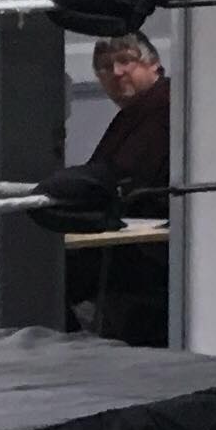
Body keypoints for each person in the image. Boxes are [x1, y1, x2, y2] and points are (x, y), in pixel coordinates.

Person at [65, 32, 171, 345]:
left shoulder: (166, 110)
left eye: (126, 61)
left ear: (154, 64)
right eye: (105, 67)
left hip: (145, 257)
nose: (116, 72)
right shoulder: (136, 115)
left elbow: (125, 180)